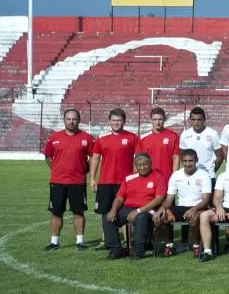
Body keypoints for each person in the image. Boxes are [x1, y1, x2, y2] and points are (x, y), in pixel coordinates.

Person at [43, 108, 93, 251]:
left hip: (77, 182)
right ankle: (54, 242)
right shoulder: (54, 138)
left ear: (79, 120)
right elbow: (48, 157)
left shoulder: (87, 138)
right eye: (68, 119)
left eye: (74, 119)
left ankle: (80, 242)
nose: (71, 122)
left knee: (78, 212)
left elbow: (93, 158)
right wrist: (58, 169)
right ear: (64, 120)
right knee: (56, 212)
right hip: (58, 182)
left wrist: (83, 171)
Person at [89, 108, 138, 248]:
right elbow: (95, 158)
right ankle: (106, 241)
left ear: (124, 121)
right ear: (109, 121)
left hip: (125, 183)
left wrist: (134, 179)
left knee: (125, 212)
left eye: (119, 120)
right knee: (105, 212)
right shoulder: (101, 138)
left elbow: (137, 160)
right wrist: (92, 178)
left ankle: (127, 241)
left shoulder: (132, 138)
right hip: (105, 182)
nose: (116, 123)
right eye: (114, 120)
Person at [103, 153, 166, 260]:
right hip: (129, 208)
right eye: (139, 165)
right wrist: (113, 210)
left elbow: (159, 199)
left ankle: (138, 251)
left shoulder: (159, 177)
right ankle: (115, 249)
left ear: (150, 163)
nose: (142, 167)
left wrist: (138, 210)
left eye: (145, 164)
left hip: (149, 209)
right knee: (107, 217)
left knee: (140, 217)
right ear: (135, 166)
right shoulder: (129, 178)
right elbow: (119, 197)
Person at [155, 149, 211, 257]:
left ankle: (196, 246)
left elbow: (206, 200)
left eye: (190, 161)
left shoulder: (204, 175)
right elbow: (169, 199)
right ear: (181, 161)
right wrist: (161, 208)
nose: (187, 164)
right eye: (185, 161)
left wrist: (194, 209)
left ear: (196, 161)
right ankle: (169, 245)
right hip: (180, 207)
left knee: (193, 219)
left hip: (198, 206)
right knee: (159, 218)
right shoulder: (176, 176)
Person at [179, 106, 222, 194]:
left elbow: (220, 156)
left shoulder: (213, 134)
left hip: (209, 175)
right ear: (190, 120)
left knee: (210, 206)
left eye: (199, 119)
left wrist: (212, 170)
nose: (196, 122)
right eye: (193, 119)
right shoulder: (185, 135)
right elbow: (182, 155)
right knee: (192, 203)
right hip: (191, 176)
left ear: (204, 119)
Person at [135, 107, 181, 181]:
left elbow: (176, 157)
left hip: (166, 177)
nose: (157, 122)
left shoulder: (172, 136)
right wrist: (138, 177)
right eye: (155, 119)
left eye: (160, 119)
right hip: (147, 176)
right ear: (151, 120)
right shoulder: (143, 138)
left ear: (164, 119)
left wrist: (174, 176)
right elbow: (137, 159)